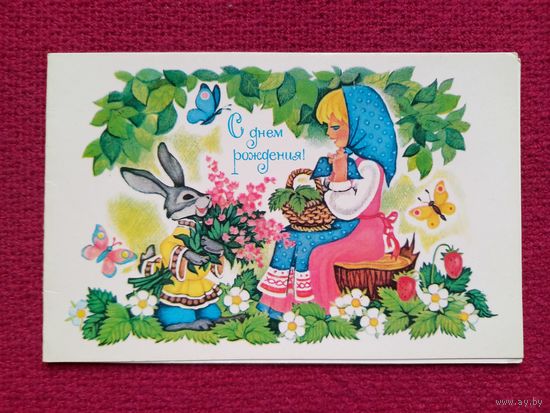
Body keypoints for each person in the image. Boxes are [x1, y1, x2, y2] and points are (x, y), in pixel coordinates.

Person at [257, 85, 399, 317]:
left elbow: (346, 209)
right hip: (343, 227)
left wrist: (339, 179)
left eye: (335, 127)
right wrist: (330, 177)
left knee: (315, 252)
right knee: (289, 237)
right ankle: (278, 305)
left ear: (358, 126)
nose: (330, 134)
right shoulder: (349, 159)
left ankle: (322, 310)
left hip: (363, 234)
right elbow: (332, 202)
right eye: (328, 127)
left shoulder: (370, 168)